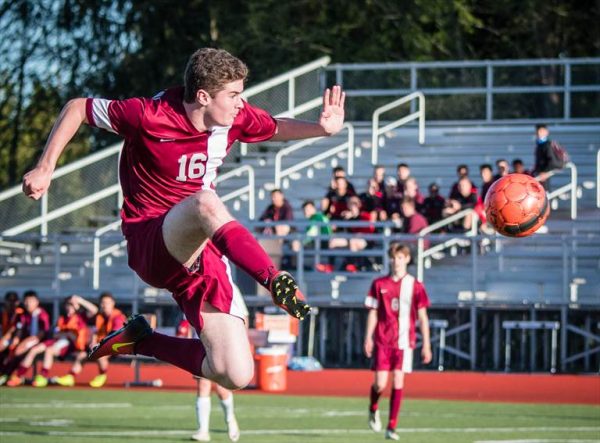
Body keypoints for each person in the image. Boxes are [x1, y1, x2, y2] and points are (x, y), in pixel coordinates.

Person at [22, 48, 344, 391]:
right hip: (152, 238)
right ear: (203, 96)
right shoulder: (148, 114)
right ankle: (274, 279)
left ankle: (142, 341)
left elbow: (274, 126)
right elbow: (78, 108)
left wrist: (321, 129)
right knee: (205, 201)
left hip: (199, 250)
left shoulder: (235, 118)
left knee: (235, 372)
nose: (240, 103)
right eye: (233, 95)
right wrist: (45, 167)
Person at [364, 243, 432, 441]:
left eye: (400, 258)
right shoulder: (379, 284)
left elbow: (423, 316)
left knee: (399, 380)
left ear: (407, 260)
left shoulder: (415, 285)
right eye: (393, 258)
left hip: (404, 341)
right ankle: (373, 407)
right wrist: (368, 337)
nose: (396, 261)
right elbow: (373, 313)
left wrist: (426, 344)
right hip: (382, 340)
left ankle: (392, 426)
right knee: (380, 384)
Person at [179, 282, 247, 442]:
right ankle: (203, 430)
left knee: (223, 388)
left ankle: (230, 420)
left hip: (224, 342)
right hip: (202, 342)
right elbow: (188, 318)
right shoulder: (194, 285)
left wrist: (241, 342)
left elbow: (242, 315)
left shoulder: (229, 286)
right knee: (202, 385)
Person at [7, 295, 90, 387]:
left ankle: (67, 377)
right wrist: (68, 334)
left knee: (82, 355)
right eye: (68, 305)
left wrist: (80, 300)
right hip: (60, 343)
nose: (70, 307)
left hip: (74, 347)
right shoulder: (62, 319)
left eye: (72, 305)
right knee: (35, 350)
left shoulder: (82, 317)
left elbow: (94, 310)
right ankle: (19, 376)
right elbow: (55, 334)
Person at [53, 292, 126, 388]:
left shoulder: (118, 317)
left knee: (100, 353)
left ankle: (102, 375)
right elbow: (97, 330)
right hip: (104, 345)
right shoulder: (101, 316)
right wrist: (93, 340)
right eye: (102, 303)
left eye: (107, 303)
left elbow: (115, 335)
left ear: (113, 303)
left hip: (120, 346)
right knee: (82, 355)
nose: (104, 305)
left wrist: (99, 344)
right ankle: (70, 376)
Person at [0, 290, 51, 386]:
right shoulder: (24, 315)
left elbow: (41, 334)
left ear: (37, 302)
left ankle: (17, 376)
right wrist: (15, 340)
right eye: (26, 301)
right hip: (27, 341)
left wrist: (25, 343)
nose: (28, 304)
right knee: (13, 349)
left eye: (30, 301)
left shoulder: (42, 315)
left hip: (42, 342)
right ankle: (6, 374)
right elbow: (18, 329)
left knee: (28, 350)